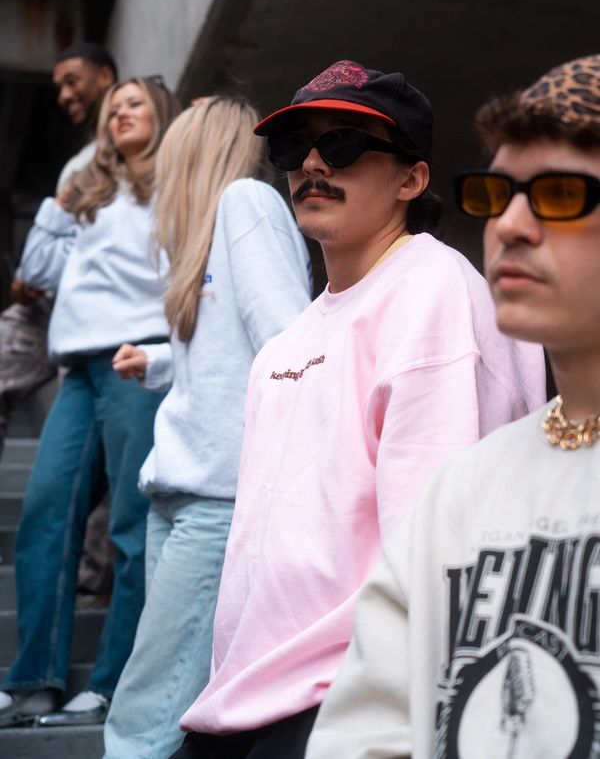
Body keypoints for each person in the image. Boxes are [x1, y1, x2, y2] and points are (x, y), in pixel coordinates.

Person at [170, 60, 547, 759]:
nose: (312, 162)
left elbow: (440, 551)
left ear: (411, 179)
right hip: (242, 696)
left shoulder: (432, 294)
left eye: (343, 145)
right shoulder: (288, 340)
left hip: (353, 702)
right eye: (293, 150)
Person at [304, 53, 600, 759]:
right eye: (497, 196)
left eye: (559, 195)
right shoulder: (462, 490)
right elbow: (367, 737)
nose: (510, 226)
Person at [102, 95, 312, 759]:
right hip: (183, 489)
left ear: (196, 146)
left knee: (152, 702)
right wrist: (160, 360)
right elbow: (225, 348)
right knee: (178, 692)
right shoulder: (199, 235)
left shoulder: (245, 204)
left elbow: (289, 342)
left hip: (221, 494)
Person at [0, 76, 181, 728]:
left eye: (133, 103)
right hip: (77, 366)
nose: (120, 113)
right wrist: (59, 202)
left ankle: (113, 683)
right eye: (114, 109)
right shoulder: (91, 190)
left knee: (134, 525)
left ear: (162, 116)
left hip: (138, 359)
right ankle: (34, 679)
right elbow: (36, 274)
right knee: (47, 512)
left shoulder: (177, 186)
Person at [0, 42, 117, 454]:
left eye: (72, 81)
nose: (64, 95)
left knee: (98, 462)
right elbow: (54, 248)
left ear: (105, 75)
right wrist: (29, 279)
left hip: (121, 313)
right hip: (63, 303)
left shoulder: (148, 148)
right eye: (58, 87)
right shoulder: (77, 166)